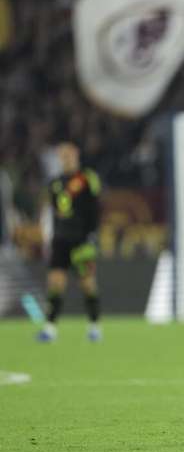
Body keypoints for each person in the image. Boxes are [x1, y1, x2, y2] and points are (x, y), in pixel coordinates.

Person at [38, 142, 102, 343]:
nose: (65, 158)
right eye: (62, 155)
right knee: (55, 283)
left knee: (87, 284)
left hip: (82, 240)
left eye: (68, 154)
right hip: (60, 240)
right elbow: (54, 212)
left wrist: (92, 235)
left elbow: (96, 208)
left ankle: (94, 326)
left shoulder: (87, 178)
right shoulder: (55, 183)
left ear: (76, 155)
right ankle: (50, 328)